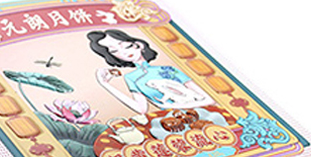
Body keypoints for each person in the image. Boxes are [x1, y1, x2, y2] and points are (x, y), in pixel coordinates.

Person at [87, 29, 215, 114]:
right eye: (114, 51)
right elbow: (141, 109)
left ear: (139, 45)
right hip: (172, 121)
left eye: (126, 46)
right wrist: (105, 84)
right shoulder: (131, 77)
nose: (124, 52)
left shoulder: (168, 69)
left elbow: (209, 100)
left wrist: (171, 107)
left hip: (202, 112)